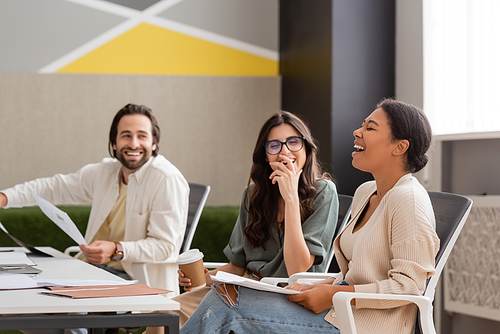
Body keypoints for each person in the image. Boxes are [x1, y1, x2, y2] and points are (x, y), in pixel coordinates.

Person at [180, 98, 440, 334]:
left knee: (225, 308)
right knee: (222, 297)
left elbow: (409, 287)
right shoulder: (367, 192)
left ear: (400, 146)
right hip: (339, 312)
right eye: (362, 125)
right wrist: (322, 287)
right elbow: (357, 274)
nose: (357, 132)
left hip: (364, 324)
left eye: (370, 128)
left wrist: (333, 293)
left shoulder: (409, 200)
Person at [147, 110, 339, 331]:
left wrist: (291, 199)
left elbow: (298, 269)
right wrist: (203, 278)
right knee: (162, 314)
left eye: (293, 142)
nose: (285, 151)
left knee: (212, 313)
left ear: (306, 148)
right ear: (265, 155)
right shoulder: (253, 194)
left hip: (287, 296)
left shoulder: (324, 192)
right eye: (274, 145)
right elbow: (237, 268)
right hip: (243, 288)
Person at [0, 103, 189, 294]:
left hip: (134, 280)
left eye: (142, 136)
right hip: (91, 270)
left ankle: (77, 324)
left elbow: (165, 246)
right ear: (114, 143)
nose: (133, 144)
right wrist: (4, 197)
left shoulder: (166, 180)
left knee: (40, 296)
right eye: (126, 135)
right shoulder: (106, 172)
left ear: (154, 143)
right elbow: (55, 187)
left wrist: (116, 249)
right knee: (25, 283)